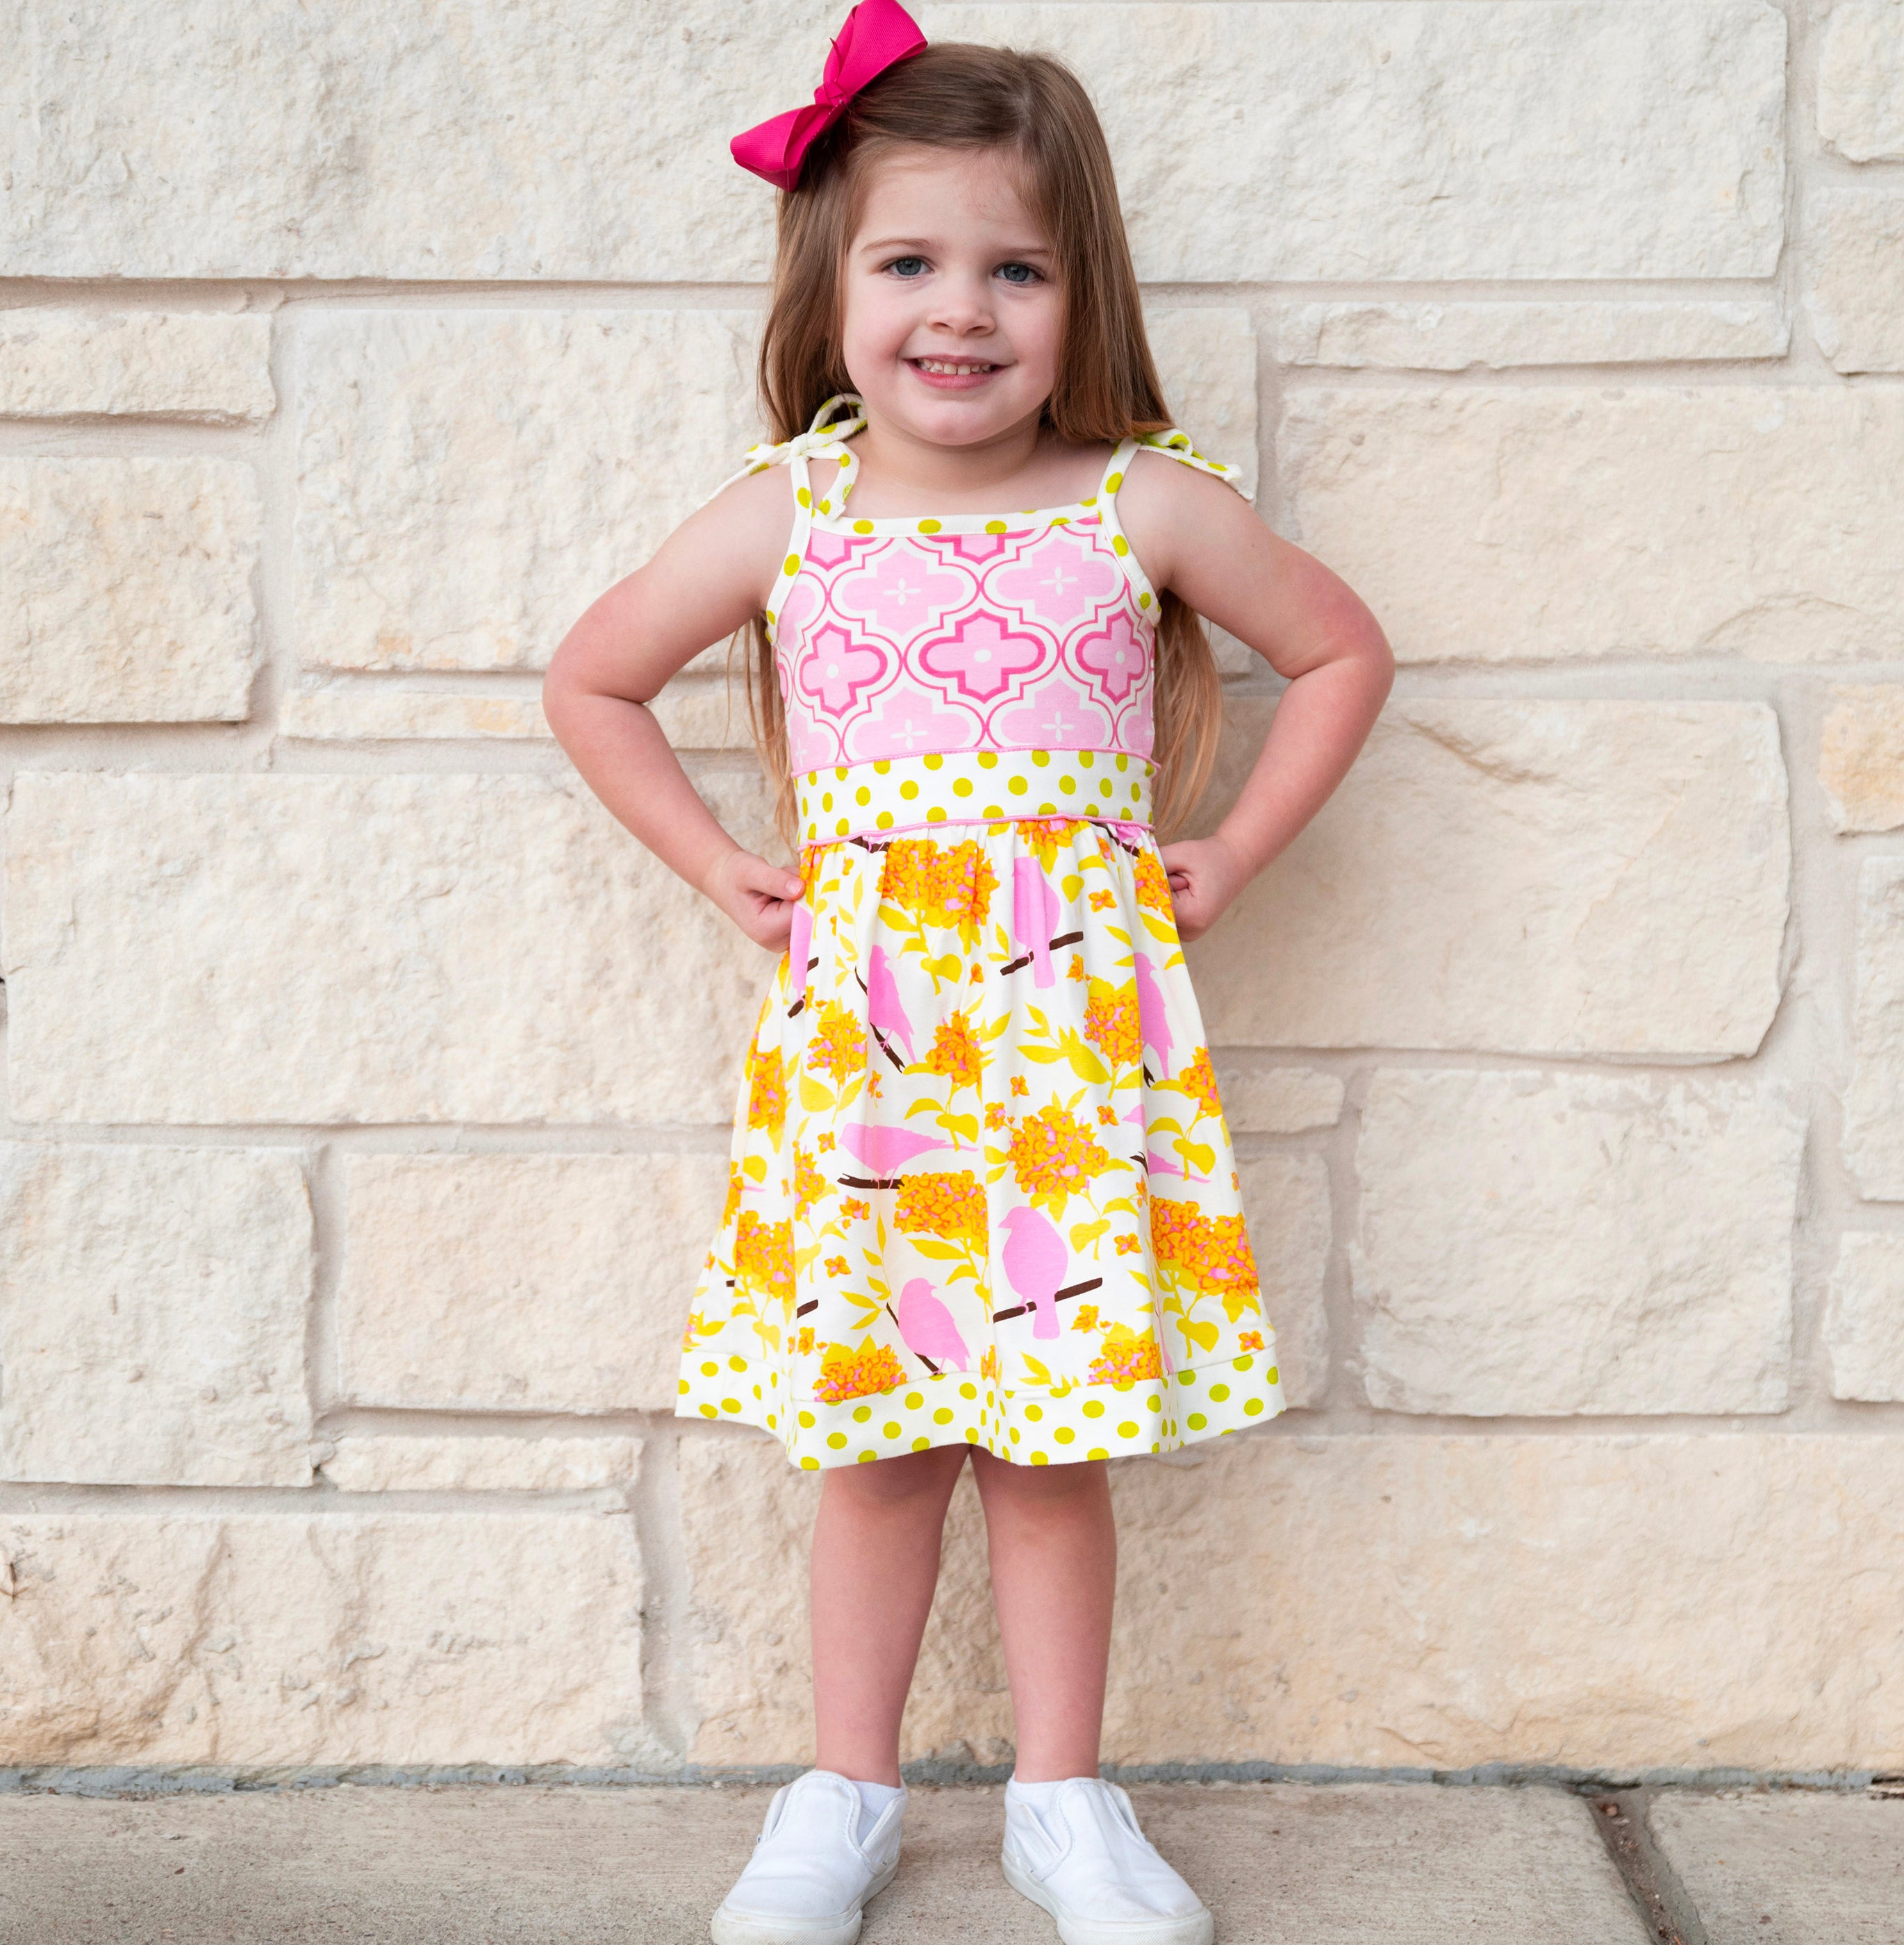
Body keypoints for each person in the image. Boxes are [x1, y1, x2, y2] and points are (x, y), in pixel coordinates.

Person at [544, 6, 1391, 1939]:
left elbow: (1342, 649)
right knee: (880, 1441)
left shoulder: (1135, 502)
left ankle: (1063, 1804)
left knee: (1049, 1450)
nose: (962, 310)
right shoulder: (797, 512)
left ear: (1081, 291)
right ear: (830, 282)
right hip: (874, 1067)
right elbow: (591, 680)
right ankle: (841, 1795)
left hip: (1071, 1059)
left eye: (1016, 268)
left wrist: (1234, 850)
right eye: (911, 263)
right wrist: (725, 872)